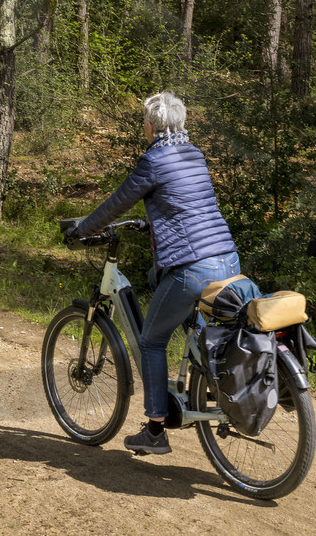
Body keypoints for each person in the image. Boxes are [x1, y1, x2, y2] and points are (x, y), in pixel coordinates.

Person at [62, 90, 242, 455]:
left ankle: (156, 429)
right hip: (227, 260)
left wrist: (82, 229)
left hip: (192, 268)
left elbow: (115, 204)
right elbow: (186, 204)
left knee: (150, 341)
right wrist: (152, 223)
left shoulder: (153, 161)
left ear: (149, 125)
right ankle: (207, 384)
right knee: (154, 279)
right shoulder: (195, 155)